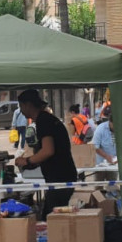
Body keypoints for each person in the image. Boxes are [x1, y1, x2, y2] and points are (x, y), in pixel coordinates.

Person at [14, 89, 78, 219]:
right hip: (63, 176)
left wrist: (26, 161)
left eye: (21, 106)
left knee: (51, 219)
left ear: (28, 105)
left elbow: (48, 150)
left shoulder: (43, 121)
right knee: (51, 216)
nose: (21, 111)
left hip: (60, 179)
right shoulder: (47, 119)